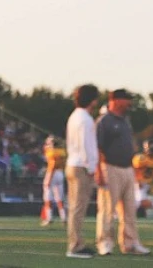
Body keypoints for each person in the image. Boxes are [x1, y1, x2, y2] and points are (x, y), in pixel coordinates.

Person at [95, 89, 150, 256]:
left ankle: (130, 243)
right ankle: (104, 243)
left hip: (127, 168)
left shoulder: (126, 121)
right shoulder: (104, 121)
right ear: (117, 100)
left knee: (129, 210)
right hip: (110, 167)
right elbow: (97, 147)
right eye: (127, 99)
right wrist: (99, 171)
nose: (130, 103)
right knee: (107, 209)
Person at [65, 83, 100, 258]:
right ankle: (75, 245)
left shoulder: (75, 116)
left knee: (75, 207)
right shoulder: (85, 119)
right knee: (79, 208)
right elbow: (87, 146)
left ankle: (76, 242)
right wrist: (92, 168)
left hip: (73, 163)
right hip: (81, 166)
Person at [41, 136, 67, 226]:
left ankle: (49, 218)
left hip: (52, 173)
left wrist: (49, 178)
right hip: (60, 173)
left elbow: (52, 165)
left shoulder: (51, 152)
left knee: (48, 197)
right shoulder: (62, 151)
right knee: (59, 198)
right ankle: (63, 217)